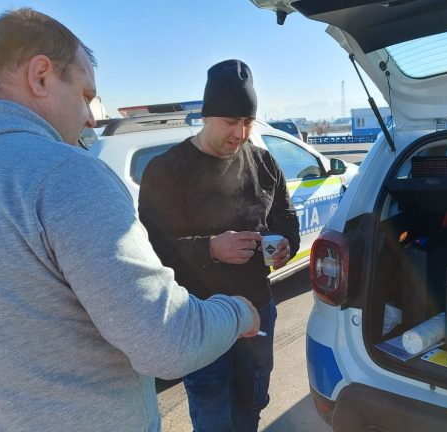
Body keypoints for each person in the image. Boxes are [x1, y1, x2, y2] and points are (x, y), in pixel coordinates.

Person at [0, 9, 260, 432]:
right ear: (40, 76)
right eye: (86, 94)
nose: (91, 118)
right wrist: (237, 311)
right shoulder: (62, 174)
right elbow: (165, 341)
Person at [138, 59, 300, 431]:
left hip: (257, 309)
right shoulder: (167, 170)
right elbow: (150, 249)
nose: (240, 133)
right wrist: (211, 248)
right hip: (200, 315)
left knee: (253, 399)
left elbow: (285, 216)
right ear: (207, 116)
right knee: (212, 411)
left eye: (248, 122)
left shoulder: (263, 162)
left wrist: (286, 244)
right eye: (230, 121)